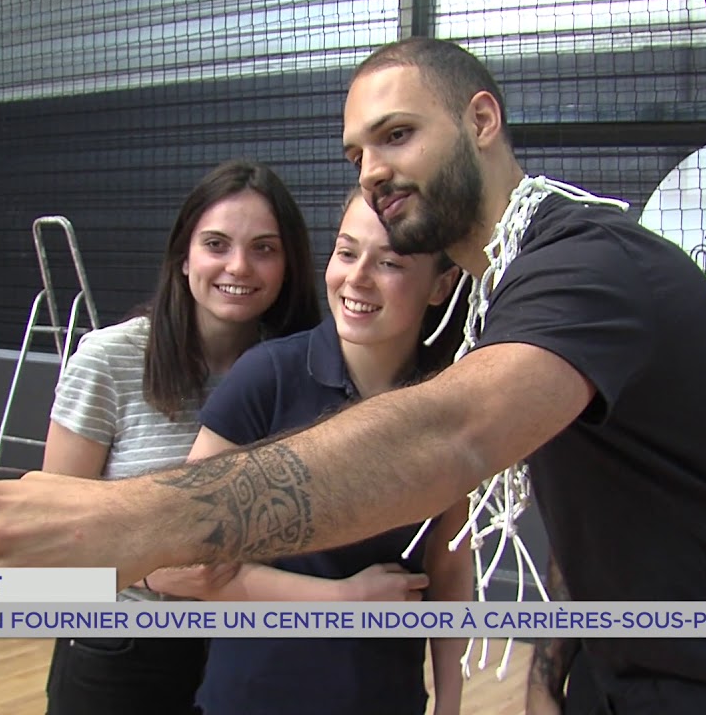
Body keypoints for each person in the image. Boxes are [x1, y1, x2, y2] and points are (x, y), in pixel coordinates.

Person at [0, 37, 706, 715]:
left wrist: (113, 521)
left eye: (395, 135)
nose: (372, 170)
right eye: (354, 154)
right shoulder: (488, 298)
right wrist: (562, 659)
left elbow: (449, 439)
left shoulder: (591, 263)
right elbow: (591, 492)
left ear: (479, 118)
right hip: (614, 668)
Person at [148, 189, 471, 715]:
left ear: (441, 284)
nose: (357, 278)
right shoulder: (267, 378)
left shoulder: (447, 399)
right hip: (256, 697)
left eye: (388, 262)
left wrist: (450, 703)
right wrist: (341, 602)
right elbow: (177, 563)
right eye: (346, 253)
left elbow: (450, 566)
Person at [39, 159, 322, 715]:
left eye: (264, 248)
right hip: (123, 652)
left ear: (289, 263)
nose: (239, 266)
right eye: (216, 244)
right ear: (183, 255)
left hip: (251, 657)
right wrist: (149, 568)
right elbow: (51, 542)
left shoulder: (298, 369)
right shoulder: (110, 359)